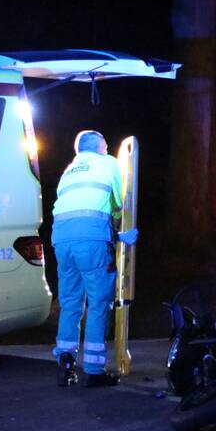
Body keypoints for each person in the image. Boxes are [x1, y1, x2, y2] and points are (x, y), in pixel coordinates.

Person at [52, 130, 137, 387]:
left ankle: (65, 361)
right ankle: (94, 370)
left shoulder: (69, 171)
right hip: (92, 244)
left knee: (70, 303)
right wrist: (119, 233)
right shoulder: (108, 163)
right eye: (106, 145)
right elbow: (119, 203)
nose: (107, 149)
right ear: (100, 147)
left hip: (62, 242)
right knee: (99, 303)